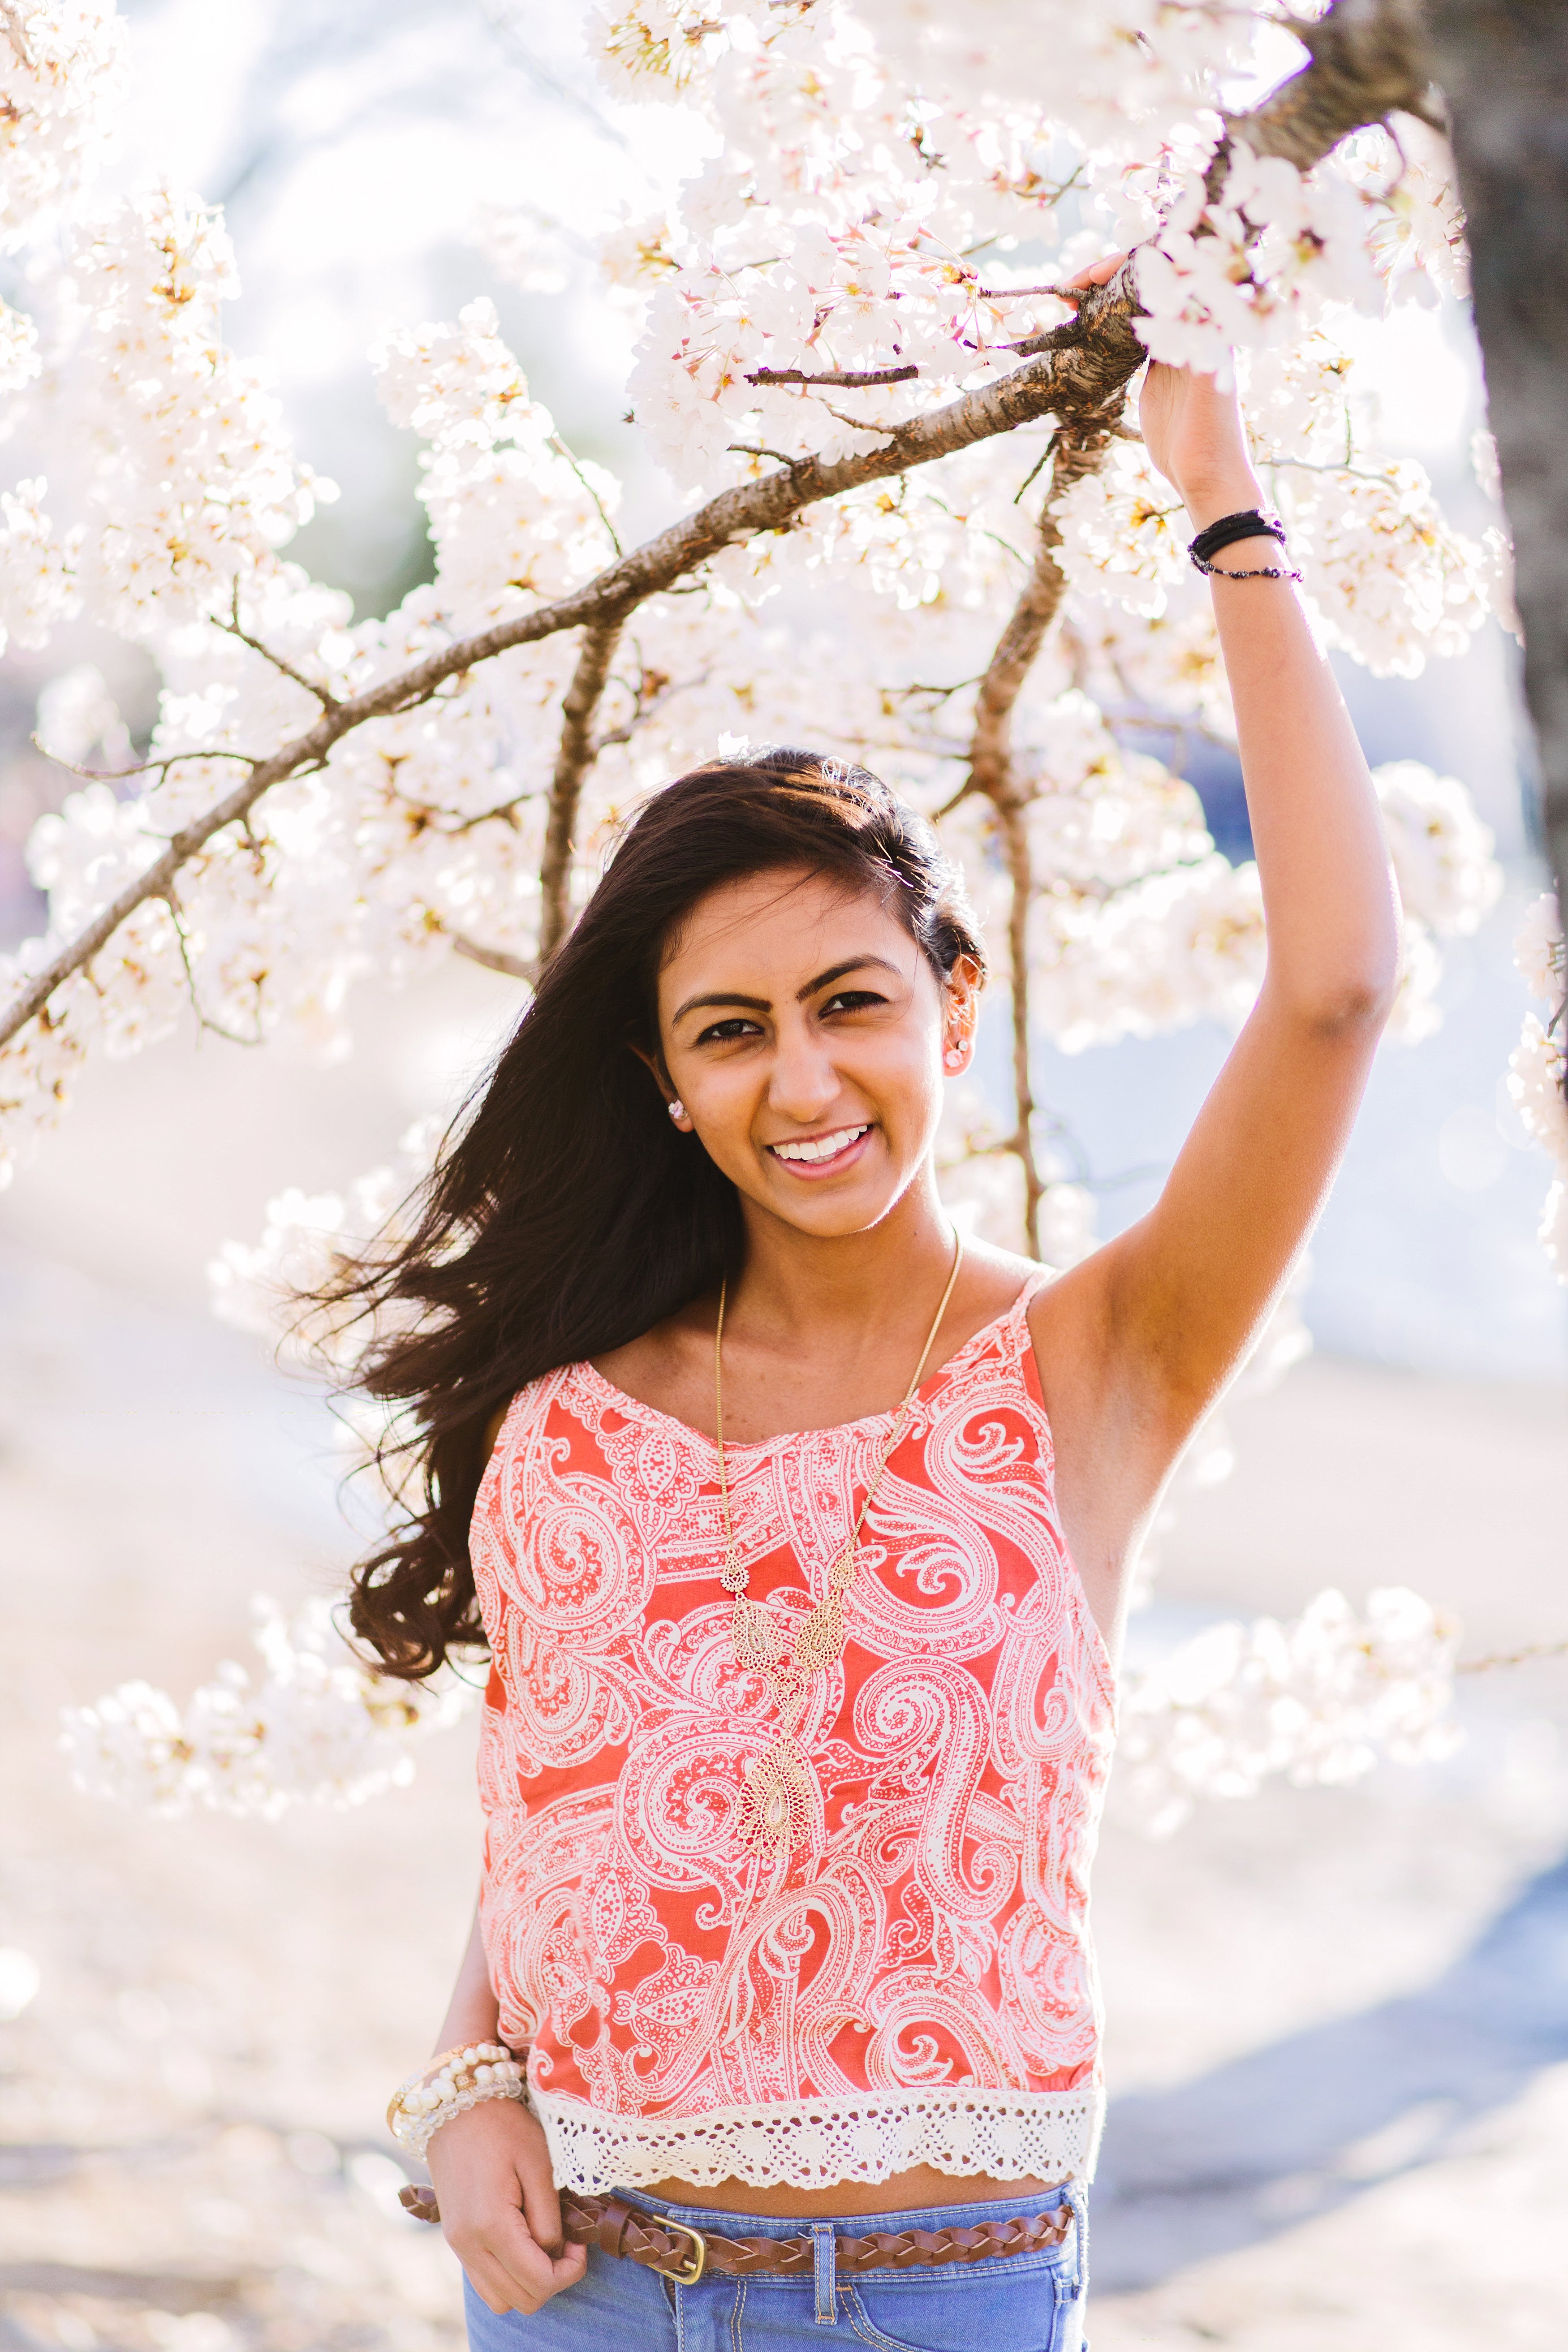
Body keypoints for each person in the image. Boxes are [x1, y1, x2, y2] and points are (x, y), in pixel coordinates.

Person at [342, 261, 1400, 2352]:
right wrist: (464, 2081)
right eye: (727, 1032)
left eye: (850, 1003)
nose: (801, 1082)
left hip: (939, 2296)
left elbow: (1334, 987)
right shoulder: (572, 1417)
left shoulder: (1093, 1360)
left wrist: (1224, 494)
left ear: (956, 1007)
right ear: (665, 1080)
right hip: (578, 2296)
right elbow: (559, 1798)